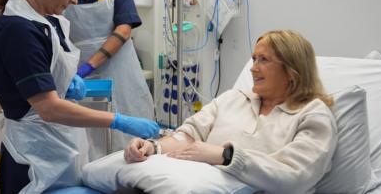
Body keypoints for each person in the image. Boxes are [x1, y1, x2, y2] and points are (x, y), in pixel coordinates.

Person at [0, 0, 159, 194]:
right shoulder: (17, 30)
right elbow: (49, 108)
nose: (75, 0)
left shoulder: (48, 21)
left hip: (57, 144)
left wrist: (66, 81)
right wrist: (118, 121)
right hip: (36, 157)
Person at [124, 30, 338, 194]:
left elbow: (296, 176)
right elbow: (190, 134)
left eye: (264, 60)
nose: (253, 68)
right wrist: (153, 147)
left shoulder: (313, 114)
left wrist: (225, 156)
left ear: (293, 70)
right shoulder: (234, 98)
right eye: (254, 59)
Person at [64, 0, 155, 160]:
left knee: (129, 133)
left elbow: (124, 29)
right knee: (86, 140)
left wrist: (89, 66)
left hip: (119, 70)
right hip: (77, 76)